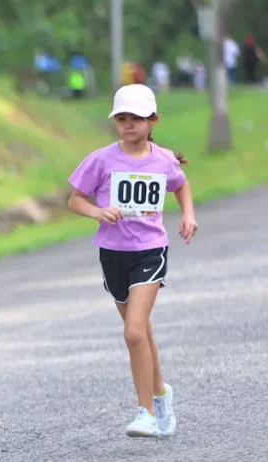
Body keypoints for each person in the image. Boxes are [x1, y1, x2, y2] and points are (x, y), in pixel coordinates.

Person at [66, 84, 198, 437]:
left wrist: (188, 215)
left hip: (150, 251)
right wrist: (97, 211)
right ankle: (161, 394)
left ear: (153, 120)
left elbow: (180, 183)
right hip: (113, 255)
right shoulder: (101, 159)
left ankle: (147, 413)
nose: (128, 124)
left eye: (136, 118)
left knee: (134, 332)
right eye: (122, 118)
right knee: (143, 334)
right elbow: (75, 199)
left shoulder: (164, 159)